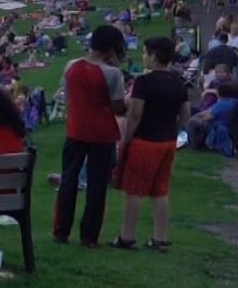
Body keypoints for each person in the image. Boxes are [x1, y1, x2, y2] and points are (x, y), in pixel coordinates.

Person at [113, 38, 189, 252]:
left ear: (155, 56)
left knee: (134, 190)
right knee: (161, 190)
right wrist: (174, 130)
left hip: (145, 140)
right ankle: (160, 238)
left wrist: (126, 139)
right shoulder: (178, 82)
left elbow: (136, 113)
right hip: (167, 141)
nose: (144, 56)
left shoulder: (144, 82)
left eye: (146, 52)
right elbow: (186, 113)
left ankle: (127, 236)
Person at [54, 24, 127, 248]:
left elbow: (66, 96)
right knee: (96, 186)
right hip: (102, 133)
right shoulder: (113, 73)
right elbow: (117, 108)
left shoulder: (71, 66)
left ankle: (61, 231)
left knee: (68, 180)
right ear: (112, 48)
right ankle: (89, 236)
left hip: (76, 130)